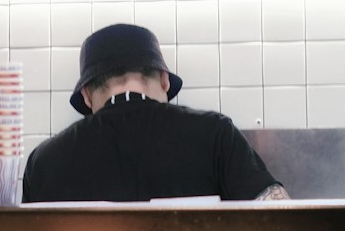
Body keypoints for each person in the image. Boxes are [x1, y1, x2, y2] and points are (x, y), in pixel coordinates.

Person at [22, 23, 289, 203]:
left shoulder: (44, 161)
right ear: (164, 81)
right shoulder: (215, 133)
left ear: (86, 95)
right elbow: (278, 213)